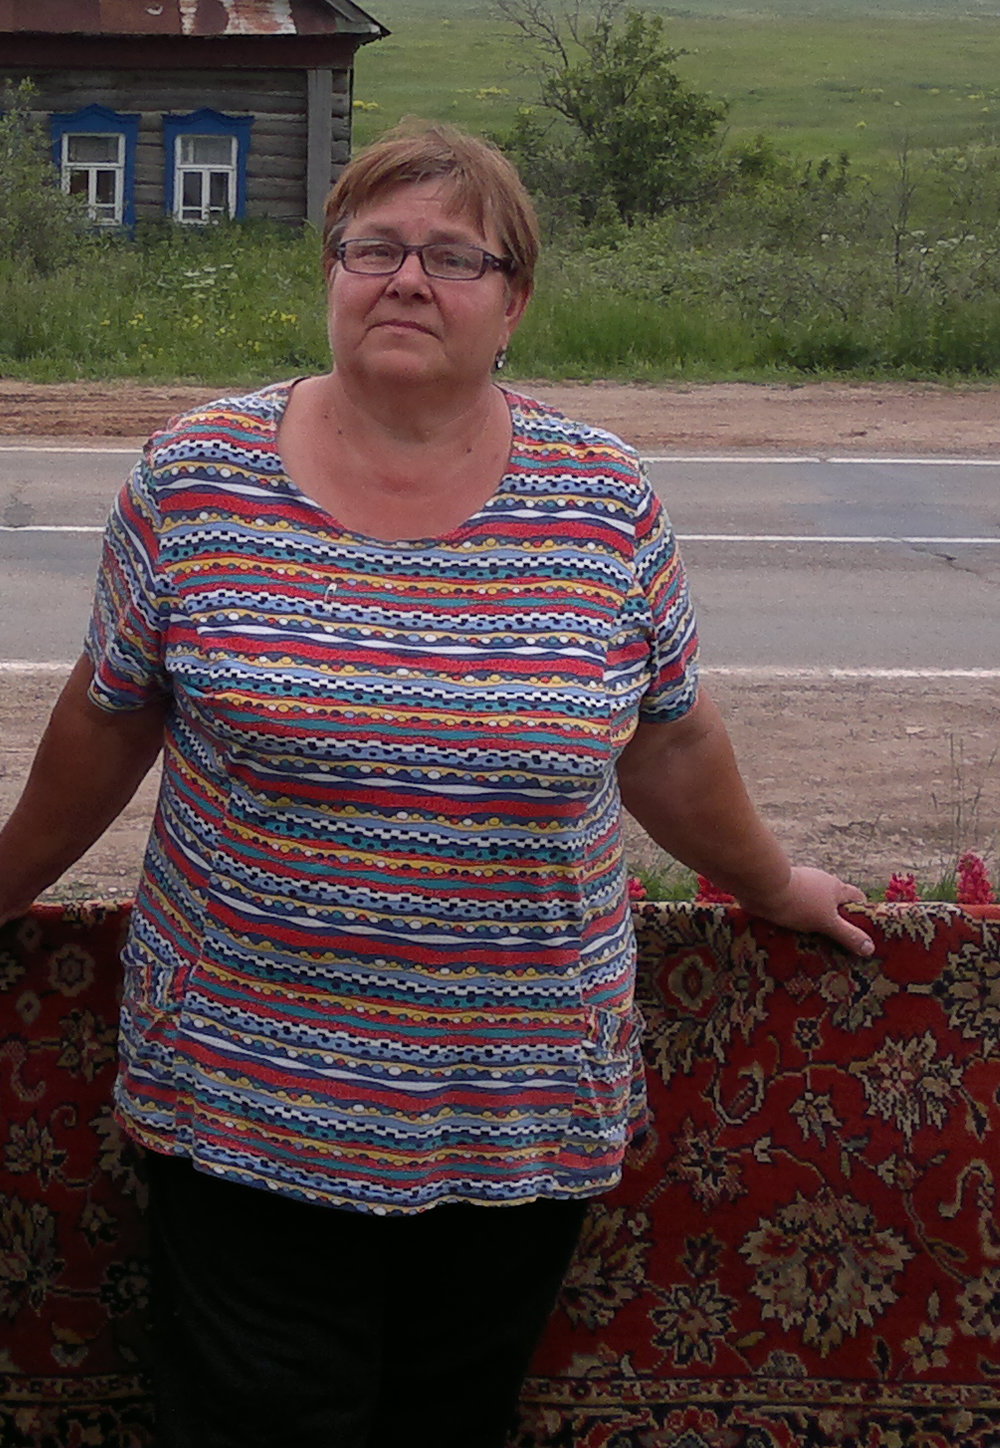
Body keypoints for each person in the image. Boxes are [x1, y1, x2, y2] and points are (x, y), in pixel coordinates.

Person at [0, 122, 873, 1448]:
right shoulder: (194, 478)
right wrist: (4, 884)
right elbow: (105, 720)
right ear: (332, 275)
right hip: (248, 1095)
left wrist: (772, 882)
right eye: (375, 248)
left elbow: (670, 741)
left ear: (513, 304)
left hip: (515, 1105)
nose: (407, 278)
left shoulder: (605, 501)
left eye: (454, 257)